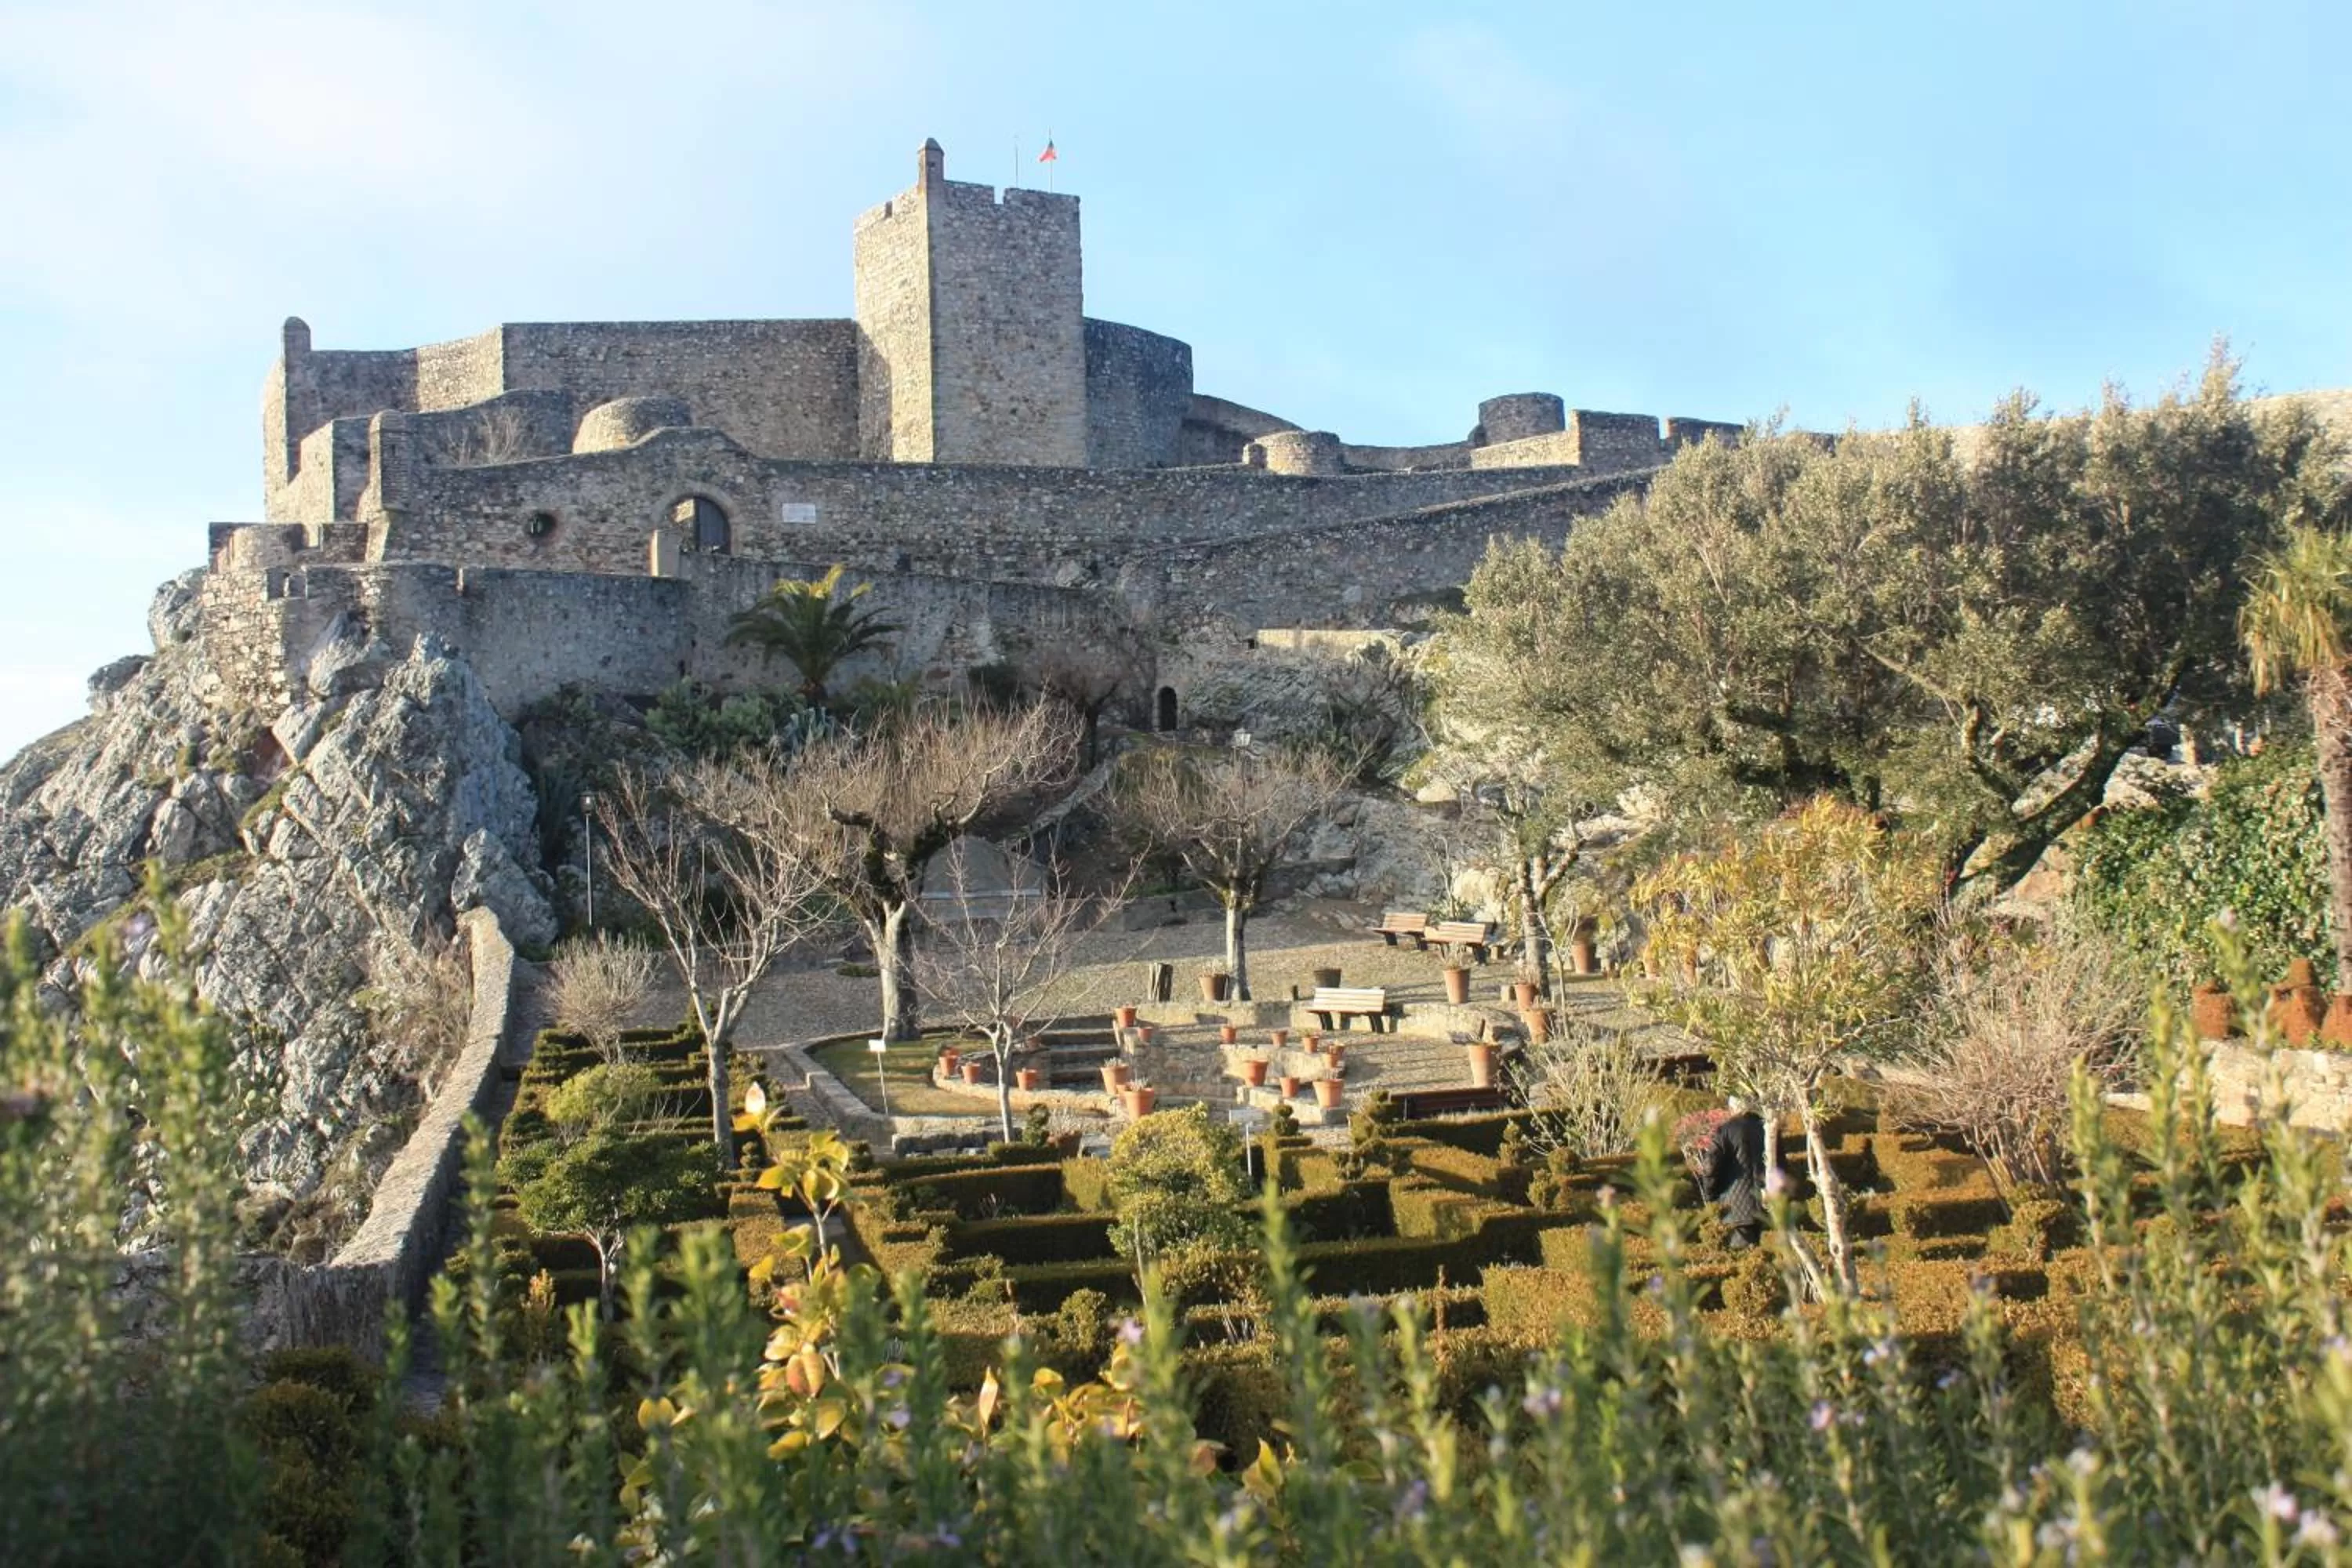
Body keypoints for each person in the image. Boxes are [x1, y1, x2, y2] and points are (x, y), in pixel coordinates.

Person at [1705, 1098, 1769, 1250]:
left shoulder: (1726, 1130)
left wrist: (1710, 1195)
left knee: (1744, 1257)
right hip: (1769, 1202)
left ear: (1733, 1108)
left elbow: (1711, 1167)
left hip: (1737, 1207)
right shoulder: (1767, 1127)